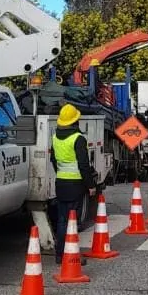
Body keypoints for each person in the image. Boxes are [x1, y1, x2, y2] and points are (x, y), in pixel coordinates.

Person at [50, 104, 97, 264]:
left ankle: (60, 254)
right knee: (72, 221)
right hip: (76, 185)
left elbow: (53, 160)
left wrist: (61, 173)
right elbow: (84, 165)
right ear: (75, 121)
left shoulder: (55, 138)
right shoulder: (78, 138)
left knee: (62, 220)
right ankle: (70, 255)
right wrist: (91, 185)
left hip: (61, 183)